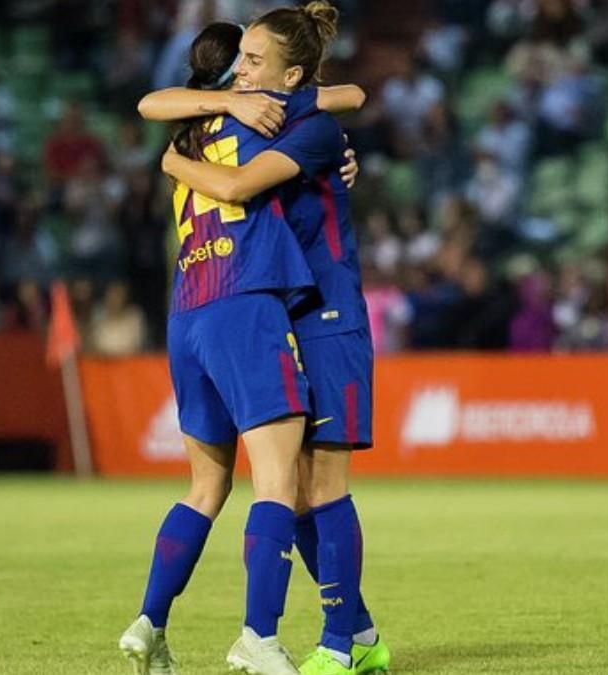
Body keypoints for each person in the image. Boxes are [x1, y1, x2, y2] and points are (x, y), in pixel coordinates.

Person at [147, 4, 389, 674]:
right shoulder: (268, 117)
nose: (240, 70)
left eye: (253, 60)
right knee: (298, 485)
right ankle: (360, 631)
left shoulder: (309, 126)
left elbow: (236, 183)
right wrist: (232, 98)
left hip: (328, 312)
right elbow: (156, 102)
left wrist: (173, 161)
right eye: (240, 58)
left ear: (290, 72)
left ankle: (339, 645)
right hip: (287, 306)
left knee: (324, 482)